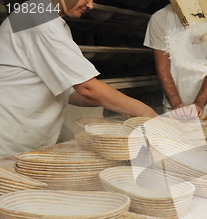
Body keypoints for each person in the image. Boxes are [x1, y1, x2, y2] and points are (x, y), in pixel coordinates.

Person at [0, 0, 158, 159]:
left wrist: (123, 106)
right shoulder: (39, 20)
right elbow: (87, 88)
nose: (90, 6)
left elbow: (69, 92)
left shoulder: (48, 20)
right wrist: (145, 112)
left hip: (26, 140)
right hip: (10, 142)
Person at [144, 3, 207, 117]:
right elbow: (163, 69)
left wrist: (199, 104)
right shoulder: (160, 18)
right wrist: (176, 104)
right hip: (172, 107)